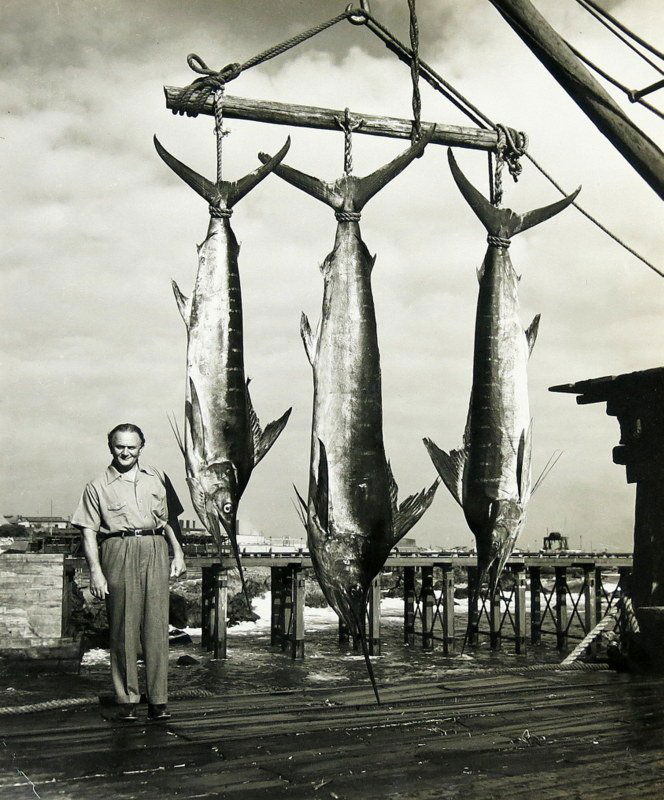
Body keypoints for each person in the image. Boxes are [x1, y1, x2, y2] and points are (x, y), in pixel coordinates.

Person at [72, 423, 187, 722]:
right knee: (123, 627)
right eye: (120, 446)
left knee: (157, 627)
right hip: (117, 550)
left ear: (141, 447)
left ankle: (158, 700)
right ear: (111, 447)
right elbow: (88, 533)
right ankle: (127, 699)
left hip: (155, 549)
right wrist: (95, 572)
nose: (126, 452)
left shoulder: (158, 478)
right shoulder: (97, 485)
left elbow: (168, 521)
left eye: (131, 447)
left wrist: (179, 552)